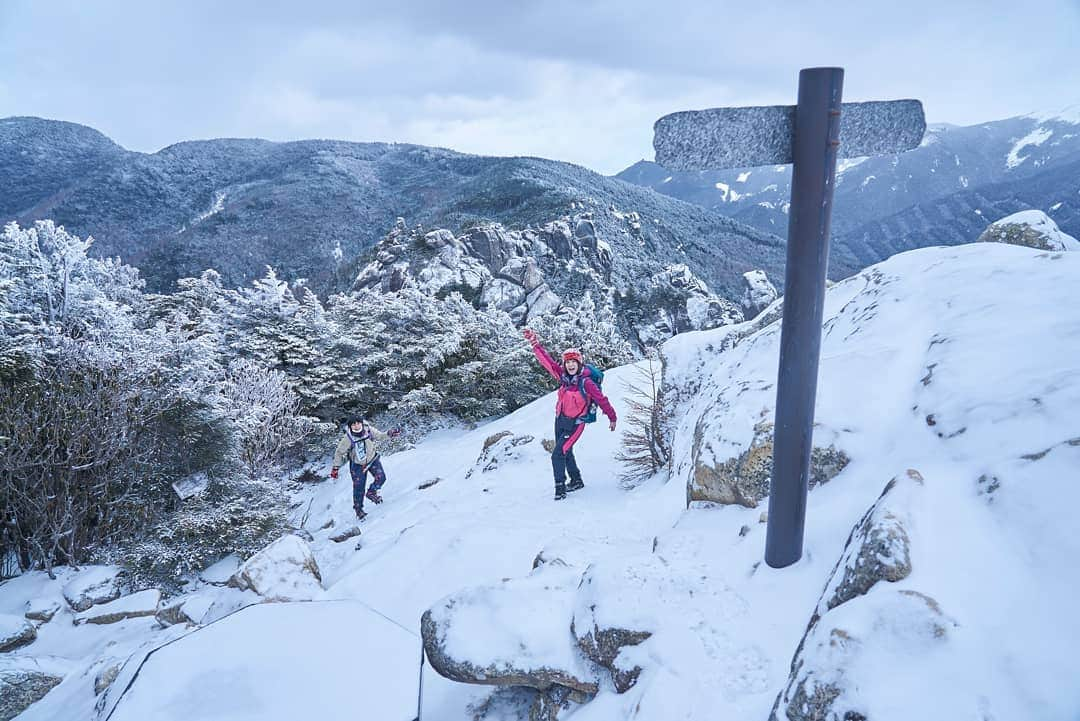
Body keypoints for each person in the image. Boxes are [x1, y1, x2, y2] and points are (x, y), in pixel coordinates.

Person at [523, 329, 617, 500]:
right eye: (568, 362)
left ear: (579, 363)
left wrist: (612, 417)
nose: (570, 365)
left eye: (573, 362)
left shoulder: (586, 383)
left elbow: (601, 399)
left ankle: (560, 488)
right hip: (560, 420)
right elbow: (548, 363)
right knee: (567, 452)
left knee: (558, 454)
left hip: (576, 424)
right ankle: (576, 480)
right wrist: (535, 344)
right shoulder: (564, 377)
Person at [331, 416, 401, 520]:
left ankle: (372, 492)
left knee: (381, 478)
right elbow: (339, 452)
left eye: (358, 423)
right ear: (350, 427)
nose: (356, 426)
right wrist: (335, 467)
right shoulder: (348, 438)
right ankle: (359, 510)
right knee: (359, 488)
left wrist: (389, 433)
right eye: (353, 424)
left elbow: (380, 436)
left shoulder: (368, 430)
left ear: (361, 423)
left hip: (372, 460)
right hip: (357, 465)